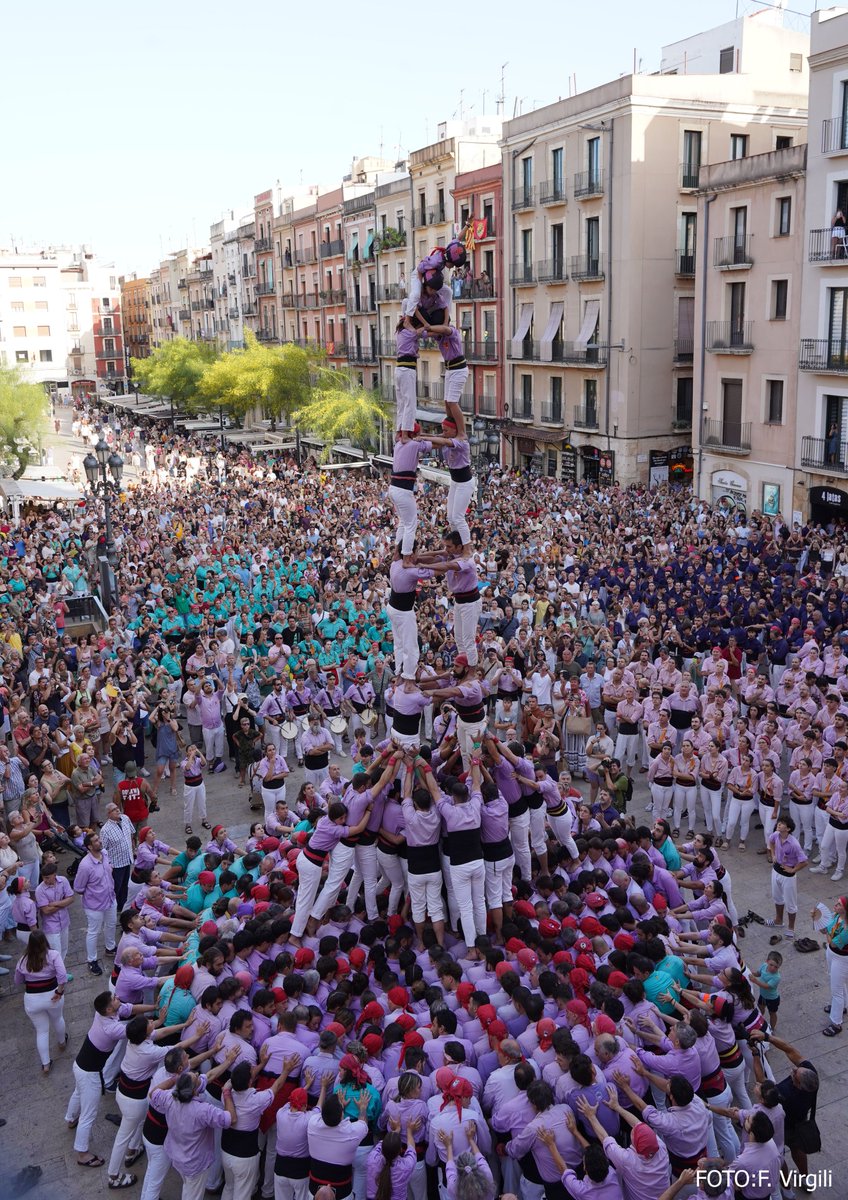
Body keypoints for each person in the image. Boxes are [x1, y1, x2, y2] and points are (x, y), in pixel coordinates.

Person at [156, 1070, 237, 1200]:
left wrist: (173, 1080)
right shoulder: (203, 1110)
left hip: (177, 1156)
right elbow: (231, 1119)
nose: (199, 1074)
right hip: (195, 1164)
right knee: (192, 1195)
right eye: (197, 1077)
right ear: (194, 1091)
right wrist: (226, 1092)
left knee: (188, 1188)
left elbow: (154, 1092)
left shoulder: (169, 1098)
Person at [14, 928, 67, 1075]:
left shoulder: (23, 960)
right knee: (58, 1019)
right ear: (45, 941)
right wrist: (59, 991)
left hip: (32, 1000)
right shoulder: (53, 955)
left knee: (41, 1031)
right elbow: (62, 976)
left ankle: (45, 1064)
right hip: (52, 996)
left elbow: (17, 981)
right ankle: (62, 1042)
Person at [73, 830, 118, 975]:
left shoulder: (104, 854)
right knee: (94, 932)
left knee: (111, 924)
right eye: (96, 841)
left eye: (99, 839)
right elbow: (78, 888)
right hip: (94, 905)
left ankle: (110, 948)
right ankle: (92, 960)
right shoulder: (85, 865)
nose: (100, 841)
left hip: (110, 898)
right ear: (90, 847)